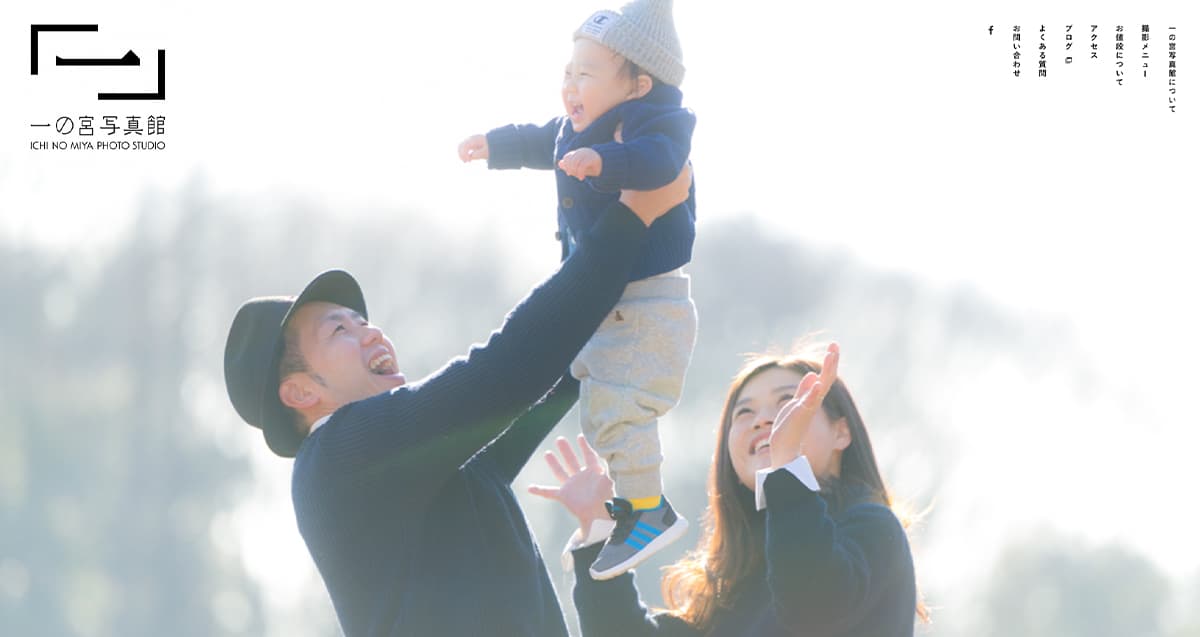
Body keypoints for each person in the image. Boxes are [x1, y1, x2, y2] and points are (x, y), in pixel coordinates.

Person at [221, 167, 690, 637]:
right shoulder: (339, 455)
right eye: (340, 330)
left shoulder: (420, 468)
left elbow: (539, 382)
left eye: (362, 319)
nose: (370, 331)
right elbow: (501, 374)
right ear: (302, 392)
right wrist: (627, 221)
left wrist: (611, 265)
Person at [458, 0, 697, 580]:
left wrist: (605, 161)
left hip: (648, 305)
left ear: (639, 84)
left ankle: (649, 511)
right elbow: (546, 141)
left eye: (586, 73)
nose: (570, 86)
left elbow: (660, 161)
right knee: (600, 412)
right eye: (568, 72)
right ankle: (627, 507)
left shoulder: (656, 121)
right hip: (614, 306)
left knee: (619, 412)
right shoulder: (577, 129)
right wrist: (498, 145)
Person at [532, 344, 928, 636]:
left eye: (788, 403)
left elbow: (813, 607)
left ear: (841, 431)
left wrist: (786, 462)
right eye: (745, 412)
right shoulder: (728, 589)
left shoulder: (872, 527)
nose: (764, 420)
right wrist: (599, 531)